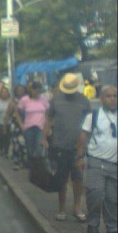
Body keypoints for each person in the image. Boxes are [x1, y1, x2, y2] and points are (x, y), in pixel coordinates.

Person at [42, 73, 91, 222]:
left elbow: (89, 124)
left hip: (79, 147)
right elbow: (49, 120)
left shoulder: (85, 101)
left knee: (78, 179)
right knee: (61, 179)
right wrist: (44, 137)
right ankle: (62, 209)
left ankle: (77, 207)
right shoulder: (56, 100)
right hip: (59, 145)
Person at [76, 85, 117, 233]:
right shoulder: (93, 115)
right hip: (96, 161)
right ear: (101, 99)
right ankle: (93, 224)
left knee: (113, 198)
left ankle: (112, 228)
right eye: (109, 96)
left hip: (114, 164)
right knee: (96, 194)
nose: (112, 99)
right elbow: (83, 136)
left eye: (115, 95)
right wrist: (79, 157)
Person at [17, 81, 49, 162]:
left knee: (39, 149)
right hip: (29, 128)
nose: (37, 93)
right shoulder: (25, 100)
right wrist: (21, 124)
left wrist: (48, 127)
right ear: (31, 90)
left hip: (41, 127)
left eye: (39, 91)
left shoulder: (44, 99)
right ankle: (32, 168)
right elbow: (17, 112)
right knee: (30, 150)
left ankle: (38, 166)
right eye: (35, 91)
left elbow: (48, 114)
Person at [7, 84, 28, 170]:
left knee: (25, 144)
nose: (20, 91)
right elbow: (8, 113)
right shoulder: (13, 101)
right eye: (18, 90)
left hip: (27, 123)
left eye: (22, 90)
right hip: (16, 125)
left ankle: (25, 162)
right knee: (16, 143)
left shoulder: (28, 100)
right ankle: (17, 161)